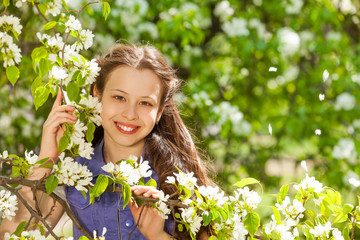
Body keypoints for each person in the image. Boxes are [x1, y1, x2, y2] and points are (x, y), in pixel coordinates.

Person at [0, 43, 213, 239]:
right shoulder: (73, 171)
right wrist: (46, 159)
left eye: (145, 103)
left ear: (159, 112)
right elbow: (13, 234)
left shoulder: (179, 180)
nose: (130, 114)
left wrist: (158, 236)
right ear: (98, 94)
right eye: (119, 97)